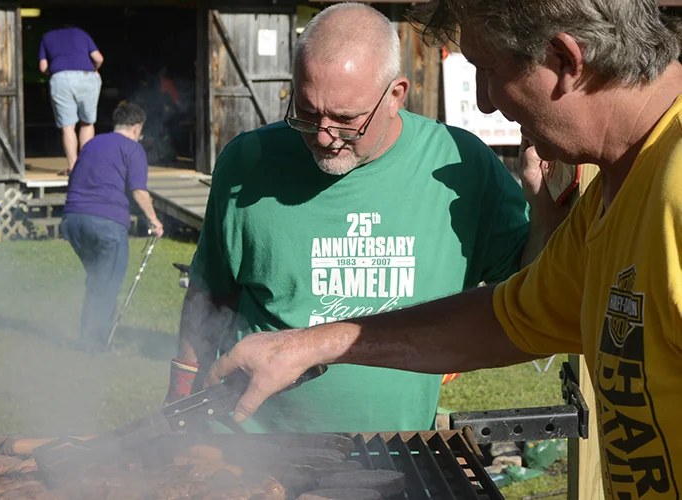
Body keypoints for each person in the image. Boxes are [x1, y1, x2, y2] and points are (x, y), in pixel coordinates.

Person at [206, 0, 682, 497]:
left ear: (564, 61)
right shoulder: (617, 189)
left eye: (489, 70)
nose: (485, 103)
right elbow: (506, 319)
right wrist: (308, 344)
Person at [165, 3, 567, 433]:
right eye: (306, 111)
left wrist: (543, 210)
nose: (323, 136)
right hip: (255, 450)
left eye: (345, 119)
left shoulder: (461, 164)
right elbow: (208, 296)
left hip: (397, 452)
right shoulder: (247, 162)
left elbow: (532, 295)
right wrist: (180, 408)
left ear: (395, 95)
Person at [60, 103, 164, 353]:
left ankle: (90, 337)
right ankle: (93, 344)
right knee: (107, 284)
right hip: (106, 223)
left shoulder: (91, 144)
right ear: (136, 128)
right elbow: (138, 191)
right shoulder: (133, 149)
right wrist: (154, 220)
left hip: (73, 221)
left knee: (98, 280)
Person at [39, 25, 104, 173]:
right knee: (87, 123)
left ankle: (73, 167)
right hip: (86, 77)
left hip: (60, 79)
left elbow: (43, 67)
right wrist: (94, 69)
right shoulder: (81, 33)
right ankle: (85, 166)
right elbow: (99, 58)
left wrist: (57, 73)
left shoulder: (47, 37)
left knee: (67, 126)